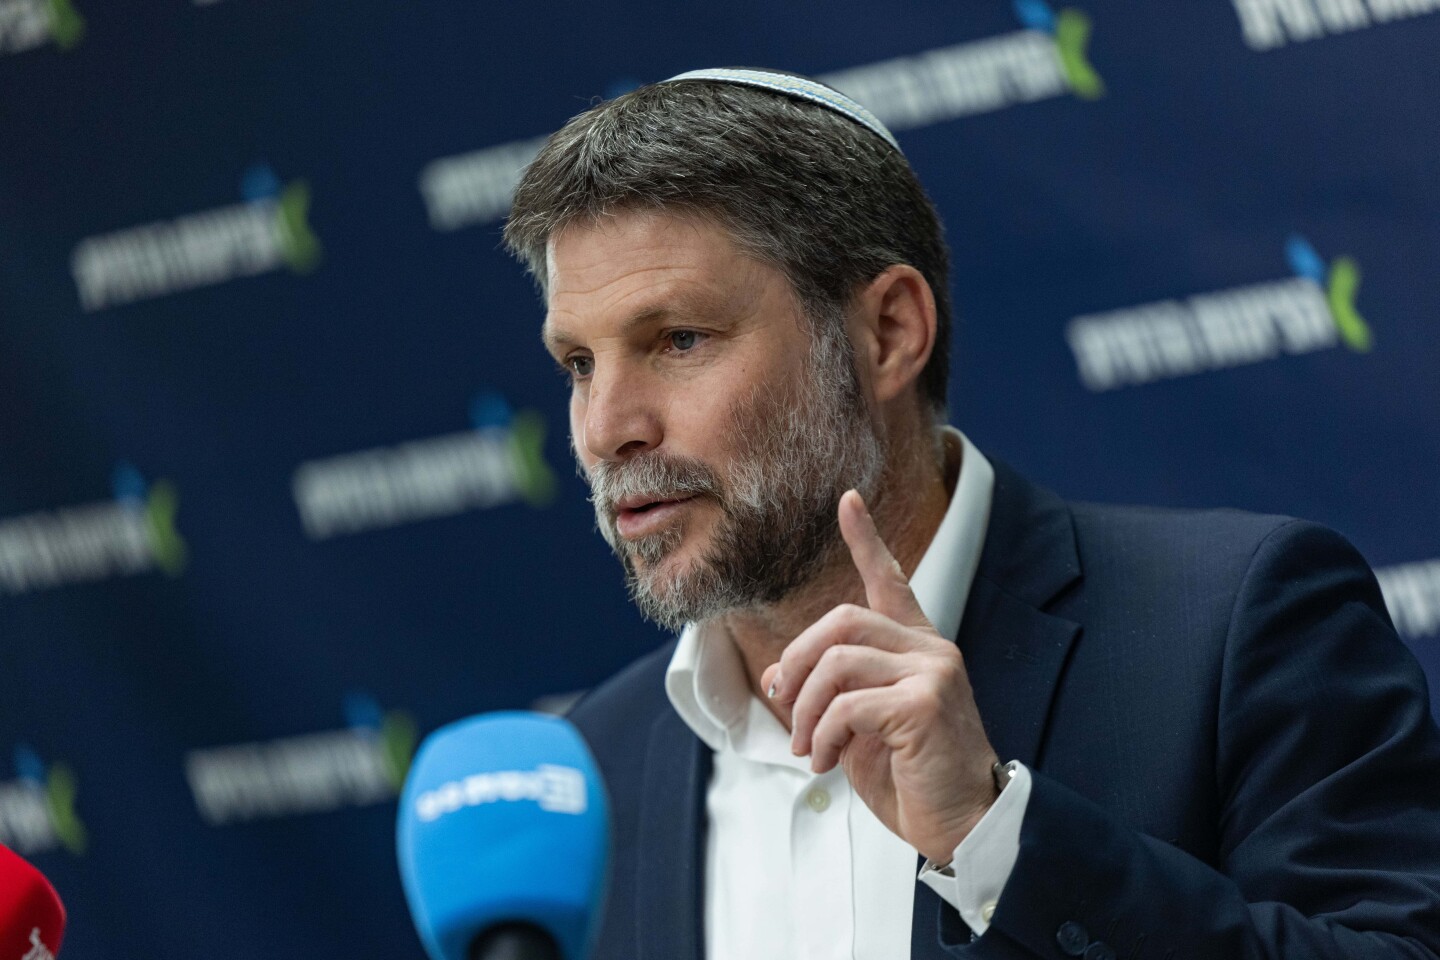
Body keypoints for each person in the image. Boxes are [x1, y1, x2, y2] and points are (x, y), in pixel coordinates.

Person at [501, 68, 1440, 960]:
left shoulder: (1233, 628)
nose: (608, 429)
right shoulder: (587, 776)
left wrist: (996, 836)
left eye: (678, 339)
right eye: (579, 364)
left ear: (887, 333)